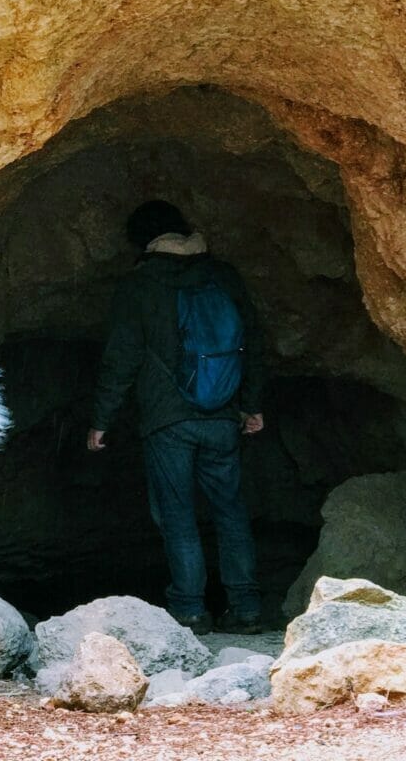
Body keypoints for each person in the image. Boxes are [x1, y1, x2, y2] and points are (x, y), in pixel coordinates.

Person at [88, 200, 266, 635]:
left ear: (144, 241)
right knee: (230, 510)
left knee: (177, 513)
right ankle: (246, 608)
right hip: (223, 415)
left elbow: (122, 358)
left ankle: (189, 609)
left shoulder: (141, 285)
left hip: (168, 422)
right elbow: (255, 342)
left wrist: (101, 420)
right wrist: (253, 404)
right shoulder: (223, 276)